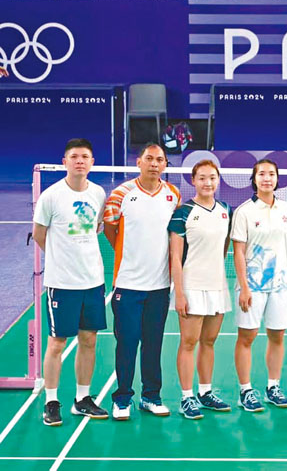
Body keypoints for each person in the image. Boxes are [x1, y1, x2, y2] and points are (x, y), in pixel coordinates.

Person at [33, 138, 109, 426]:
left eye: (85, 157)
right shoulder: (51, 196)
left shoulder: (98, 193)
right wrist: (60, 259)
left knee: (88, 340)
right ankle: (52, 401)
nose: (80, 161)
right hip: (62, 283)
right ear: (65, 162)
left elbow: (96, 228)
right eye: (74, 156)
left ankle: (82, 399)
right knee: (57, 343)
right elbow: (39, 234)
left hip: (93, 280)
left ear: (92, 162)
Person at [103, 143, 180, 420]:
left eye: (160, 159)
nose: (154, 164)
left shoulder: (173, 194)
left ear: (165, 164)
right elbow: (110, 229)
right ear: (139, 162)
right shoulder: (121, 194)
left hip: (160, 286)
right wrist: (128, 255)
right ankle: (122, 398)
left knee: (153, 344)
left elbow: (176, 235)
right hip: (127, 285)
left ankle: (151, 396)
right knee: (126, 344)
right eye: (149, 159)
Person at [231, 159, 287, 413]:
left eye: (271, 174)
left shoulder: (286, 209)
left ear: (277, 179)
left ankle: (273, 387)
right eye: (261, 174)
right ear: (254, 179)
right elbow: (238, 251)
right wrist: (244, 286)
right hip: (252, 286)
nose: (267, 178)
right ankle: (245, 391)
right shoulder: (244, 212)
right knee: (247, 337)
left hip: (280, 285)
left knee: (277, 335)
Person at [168, 160, 232, 420]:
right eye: (202, 178)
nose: (208, 183)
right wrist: (179, 293)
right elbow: (175, 256)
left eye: (212, 178)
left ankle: (205, 392)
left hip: (217, 286)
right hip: (191, 286)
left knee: (209, 341)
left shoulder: (226, 210)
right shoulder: (183, 213)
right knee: (188, 342)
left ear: (218, 180)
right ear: (193, 181)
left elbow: (224, 247)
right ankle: (186, 397)